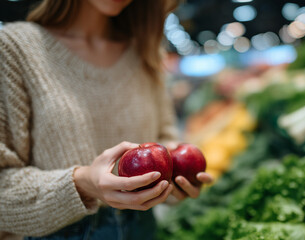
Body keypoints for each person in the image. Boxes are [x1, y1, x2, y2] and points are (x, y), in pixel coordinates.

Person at [0, 0, 212, 239]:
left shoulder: (144, 51)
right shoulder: (13, 50)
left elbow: (166, 140)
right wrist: (82, 184)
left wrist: (173, 183)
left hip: (143, 229)